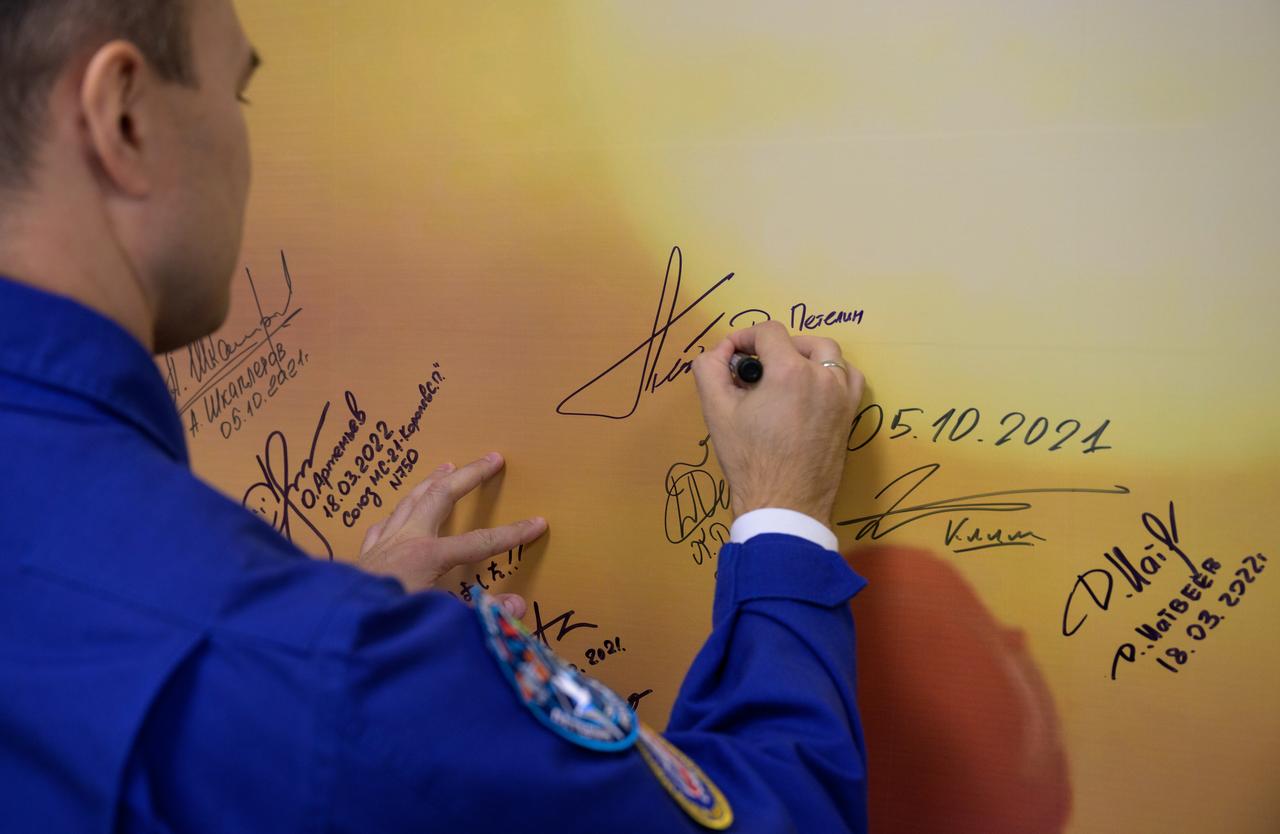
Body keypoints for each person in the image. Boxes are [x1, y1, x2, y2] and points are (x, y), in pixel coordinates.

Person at [0, 1, 869, 831]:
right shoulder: (316, 674)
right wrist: (783, 517)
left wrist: (337, 623)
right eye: (239, 91)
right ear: (123, 120)